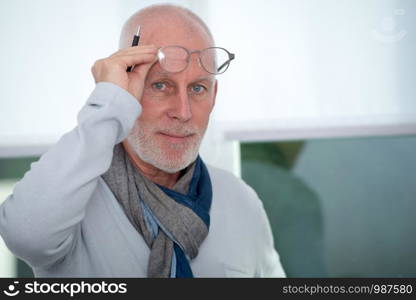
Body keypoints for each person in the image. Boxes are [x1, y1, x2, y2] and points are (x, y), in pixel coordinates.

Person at [0, 4, 285, 278]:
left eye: (198, 88)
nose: (183, 112)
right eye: (161, 85)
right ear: (127, 89)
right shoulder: (72, 198)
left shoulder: (241, 200)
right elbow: (24, 234)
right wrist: (109, 103)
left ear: (214, 96)